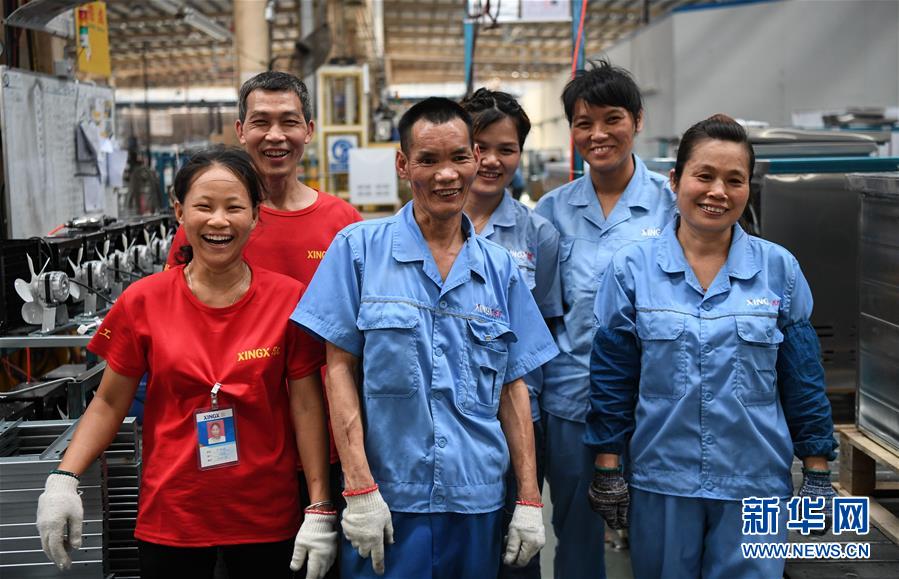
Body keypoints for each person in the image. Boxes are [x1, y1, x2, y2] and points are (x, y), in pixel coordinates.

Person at [36, 147, 338, 579]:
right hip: (172, 515)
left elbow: (307, 406)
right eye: (204, 206)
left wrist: (320, 504)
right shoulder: (143, 301)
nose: (219, 221)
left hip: (266, 516)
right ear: (179, 212)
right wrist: (64, 478)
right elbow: (108, 403)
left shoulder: (287, 299)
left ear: (256, 216)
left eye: (235, 207)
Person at [291, 97, 559, 579]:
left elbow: (514, 386)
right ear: (403, 164)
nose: (446, 175)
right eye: (428, 160)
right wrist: (359, 488)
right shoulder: (358, 251)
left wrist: (527, 499)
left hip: (477, 498)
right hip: (387, 501)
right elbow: (338, 372)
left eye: (458, 157)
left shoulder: (499, 268)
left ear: (475, 159)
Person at [585, 115, 838, 578]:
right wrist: (607, 463)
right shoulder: (631, 269)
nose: (717, 192)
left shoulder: (778, 270)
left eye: (734, 180)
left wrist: (817, 468)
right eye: (704, 176)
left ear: (747, 188)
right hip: (663, 478)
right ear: (675, 180)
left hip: (756, 481)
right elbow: (613, 377)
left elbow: (802, 377)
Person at [164, 72, 362, 577]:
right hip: (237, 452)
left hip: (327, 444)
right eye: (261, 122)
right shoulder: (210, 226)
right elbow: (177, 322)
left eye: (289, 122)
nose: (275, 136)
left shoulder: (343, 225)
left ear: (309, 129)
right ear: (240, 130)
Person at [533, 60, 676, 578]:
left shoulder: (671, 205)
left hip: (655, 402)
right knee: (576, 533)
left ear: (637, 120)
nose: (598, 134)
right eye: (583, 123)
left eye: (612, 119)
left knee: (660, 533)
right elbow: (543, 314)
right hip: (574, 400)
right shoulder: (551, 211)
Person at [459, 87, 561, 579]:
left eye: (507, 149)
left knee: (516, 551)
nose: (491, 161)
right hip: (442, 416)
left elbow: (544, 329)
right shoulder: (422, 226)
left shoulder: (537, 234)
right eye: (479, 147)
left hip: (518, 417)